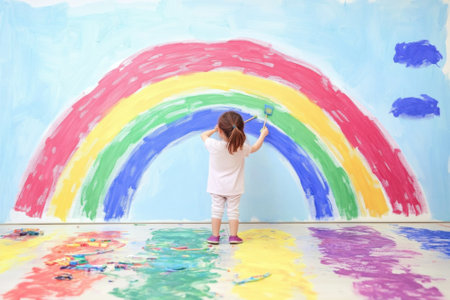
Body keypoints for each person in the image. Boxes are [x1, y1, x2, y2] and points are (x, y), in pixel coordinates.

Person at [201, 111, 269, 244]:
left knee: (216, 210)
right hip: (234, 187)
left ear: (220, 131)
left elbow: (203, 135)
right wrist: (263, 135)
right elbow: (255, 147)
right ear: (240, 130)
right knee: (233, 211)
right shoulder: (241, 147)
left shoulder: (213, 145)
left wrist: (214, 130)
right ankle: (233, 237)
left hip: (216, 186)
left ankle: (215, 236)